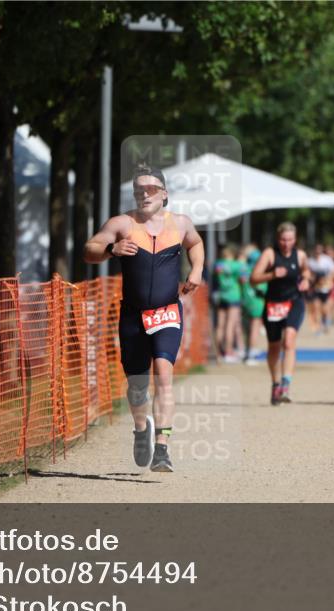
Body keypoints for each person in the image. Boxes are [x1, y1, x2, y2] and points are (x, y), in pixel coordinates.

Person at [84, 164, 204, 472]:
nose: (144, 194)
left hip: (166, 312)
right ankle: (141, 430)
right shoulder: (122, 223)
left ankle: (162, 449)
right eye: (139, 189)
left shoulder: (180, 224)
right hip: (133, 316)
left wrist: (197, 270)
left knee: (164, 374)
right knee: (137, 385)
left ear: (164, 194)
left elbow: (196, 243)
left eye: (150, 189)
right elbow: (89, 249)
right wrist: (112, 249)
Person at [250, 222, 311, 405]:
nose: (286, 243)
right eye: (283, 239)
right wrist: (272, 274)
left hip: (294, 301)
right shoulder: (269, 254)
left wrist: (306, 280)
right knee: (274, 347)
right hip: (273, 304)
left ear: (295, 239)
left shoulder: (300, 255)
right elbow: (253, 279)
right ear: (278, 239)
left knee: (289, 340)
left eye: (290, 239)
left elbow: (306, 271)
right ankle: (275, 383)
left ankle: (286, 384)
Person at [213, 244, 245, 362]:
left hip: (222, 296)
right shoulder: (237, 265)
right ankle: (228, 351)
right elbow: (243, 279)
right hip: (234, 296)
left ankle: (218, 353)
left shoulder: (218, 264)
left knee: (220, 326)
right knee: (230, 325)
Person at [240, 245, 267, 365]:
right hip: (256, 303)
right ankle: (251, 354)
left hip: (245, 301)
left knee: (246, 329)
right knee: (254, 329)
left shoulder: (243, 269)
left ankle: (246, 351)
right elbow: (262, 289)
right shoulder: (259, 272)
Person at [306, 243, 334, 335]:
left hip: (326, 288)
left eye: (319, 251)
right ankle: (318, 327)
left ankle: (325, 321)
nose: (317, 253)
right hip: (315, 288)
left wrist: (327, 279)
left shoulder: (327, 260)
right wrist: (311, 278)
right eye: (316, 251)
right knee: (316, 307)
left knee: (325, 308)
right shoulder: (310, 261)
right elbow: (307, 273)